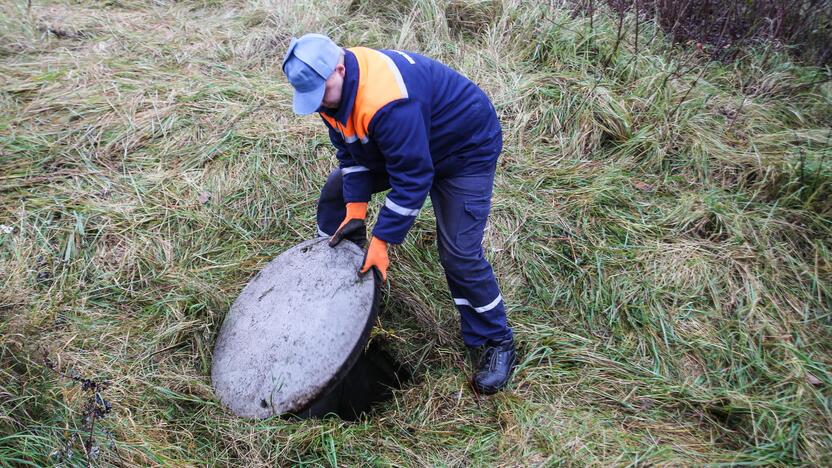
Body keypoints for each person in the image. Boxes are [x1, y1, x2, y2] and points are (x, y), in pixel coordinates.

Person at [281, 33, 516, 394]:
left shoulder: (386, 100)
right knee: (337, 190)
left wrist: (383, 240)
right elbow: (350, 155)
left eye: (321, 93)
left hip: (462, 151)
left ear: (339, 67)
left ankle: (494, 341)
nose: (317, 105)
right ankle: (342, 267)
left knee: (459, 255)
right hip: (408, 146)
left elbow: (413, 179)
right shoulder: (331, 96)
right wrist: (356, 210)